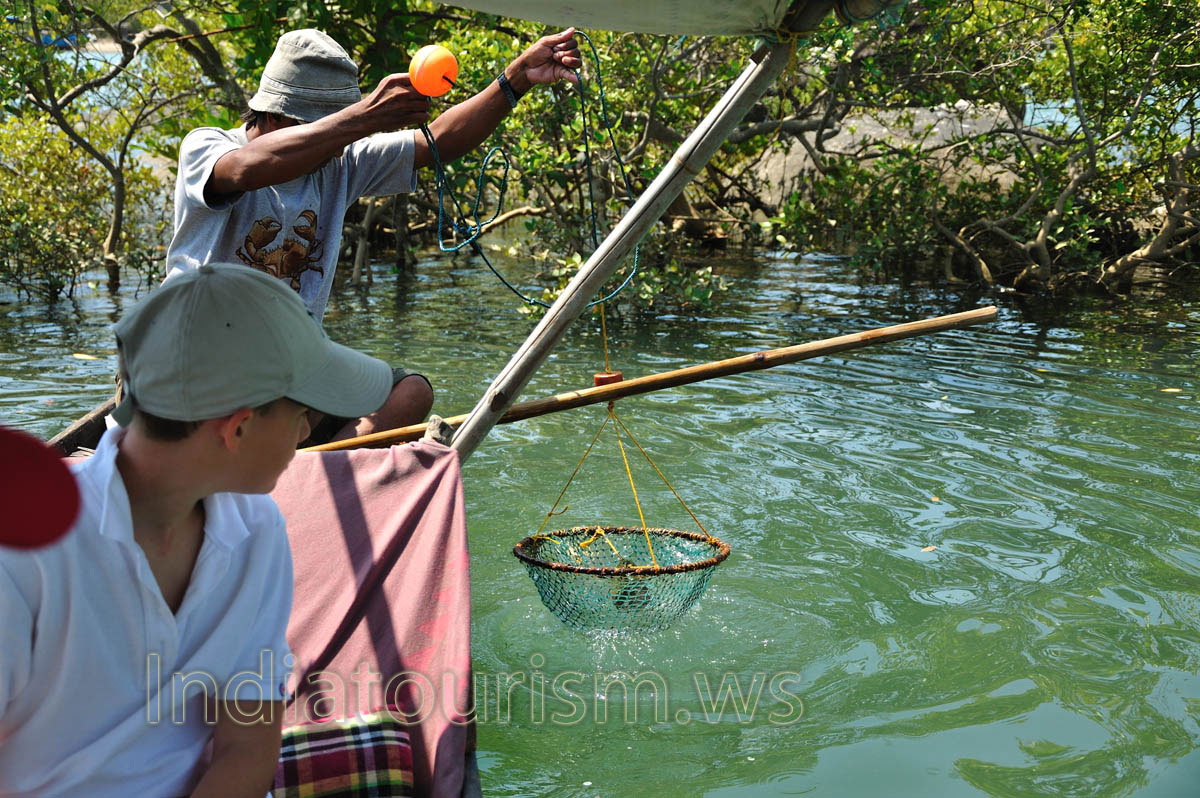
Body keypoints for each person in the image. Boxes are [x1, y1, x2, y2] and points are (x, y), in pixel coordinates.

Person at [0, 263, 393, 797]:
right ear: (238, 427)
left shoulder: (258, 534)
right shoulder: (25, 555)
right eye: (302, 412)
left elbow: (246, 748)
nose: (306, 430)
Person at [165, 27, 582, 444]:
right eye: (329, 129)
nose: (338, 146)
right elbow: (244, 170)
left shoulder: (337, 162)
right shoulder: (208, 147)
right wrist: (362, 118)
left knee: (408, 392)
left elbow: (438, 141)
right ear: (275, 115)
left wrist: (516, 80)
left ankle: (312, 474)